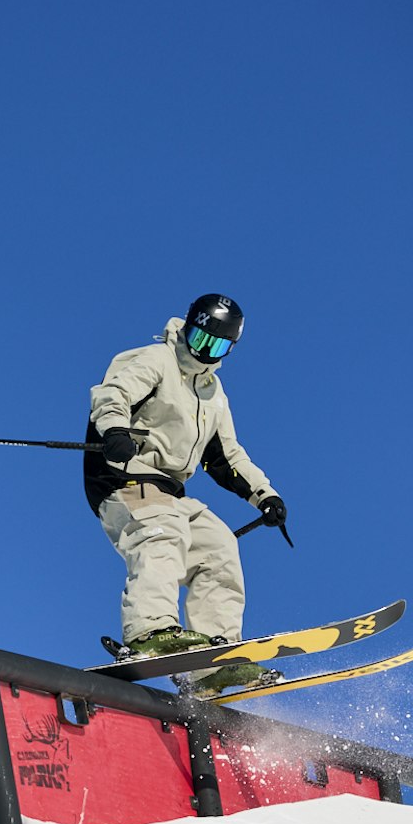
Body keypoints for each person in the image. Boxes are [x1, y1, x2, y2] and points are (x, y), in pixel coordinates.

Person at [82, 294, 287, 693]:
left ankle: (215, 662)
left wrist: (264, 495)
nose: (203, 351)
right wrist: (115, 430)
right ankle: (149, 633)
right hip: (124, 475)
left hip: (170, 490)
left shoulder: (214, 394)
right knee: (162, 529)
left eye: (216, 346)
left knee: (218, 545)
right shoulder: (156, 359)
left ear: (229, 349)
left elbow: (226, 456)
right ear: (187, 327)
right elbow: (113, 394)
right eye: (199, 338)